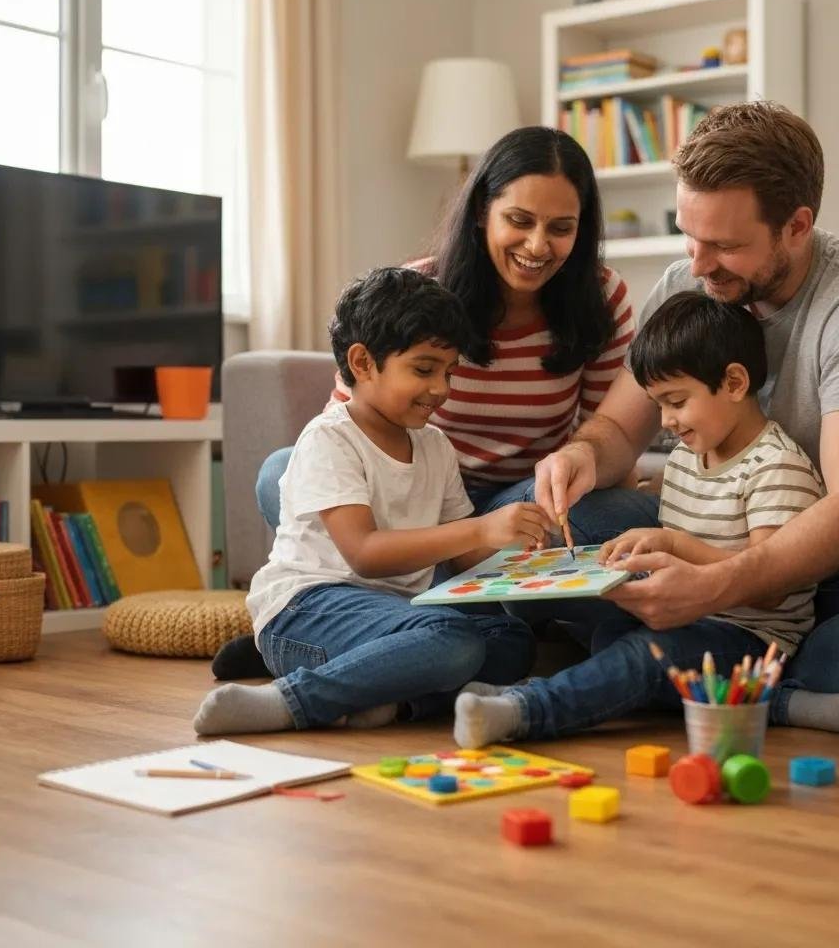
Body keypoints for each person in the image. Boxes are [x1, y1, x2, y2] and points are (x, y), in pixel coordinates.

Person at [532, 101, 839, 742]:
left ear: (797, 226)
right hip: (702, 532)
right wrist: (580, 455)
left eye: (725, 245)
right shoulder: (685, 284)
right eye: (690, 234)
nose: (699, 262)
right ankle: (775, 687)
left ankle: (706, 673)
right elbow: (618, 430)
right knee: (539, 512)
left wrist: (713, 589)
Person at [213, 125, 658, 678]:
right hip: (406, 508)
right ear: (481, 213)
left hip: (521, 503)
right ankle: (383, 614)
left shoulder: (601, 297)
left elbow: (607, 433)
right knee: (282, 472)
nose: (538, 246)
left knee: (636, 515)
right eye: (519, 221)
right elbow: (347, 423)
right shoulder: (419, 292)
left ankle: (409, 613)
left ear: (582, 230)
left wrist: (582, 465)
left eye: (561, 228)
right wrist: (463, 535)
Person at [454, 290, 831, 748]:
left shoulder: (776, 467)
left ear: (734, 383)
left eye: (677, 401)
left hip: (752, 639)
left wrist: (670, 544)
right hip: (693, 621)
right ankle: (785, 706)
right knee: (612, 636)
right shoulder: (687, 459)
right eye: (658, 405)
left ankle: (525, 710)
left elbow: (770, 589)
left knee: (645, 657)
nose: (666, 421)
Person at [193, 268, 548, 736]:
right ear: (362, 363)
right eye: (424, 370)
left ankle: (392, 704)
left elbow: (463, 555)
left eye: (449, 372)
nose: (441, 388)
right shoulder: (331, 439)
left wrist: (521, 544)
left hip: (394, 617)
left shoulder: (435, 446)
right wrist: (483, 528)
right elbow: (364, 554)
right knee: (451, 642)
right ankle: (291, 700)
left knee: (511, 640)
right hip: (309, 606)